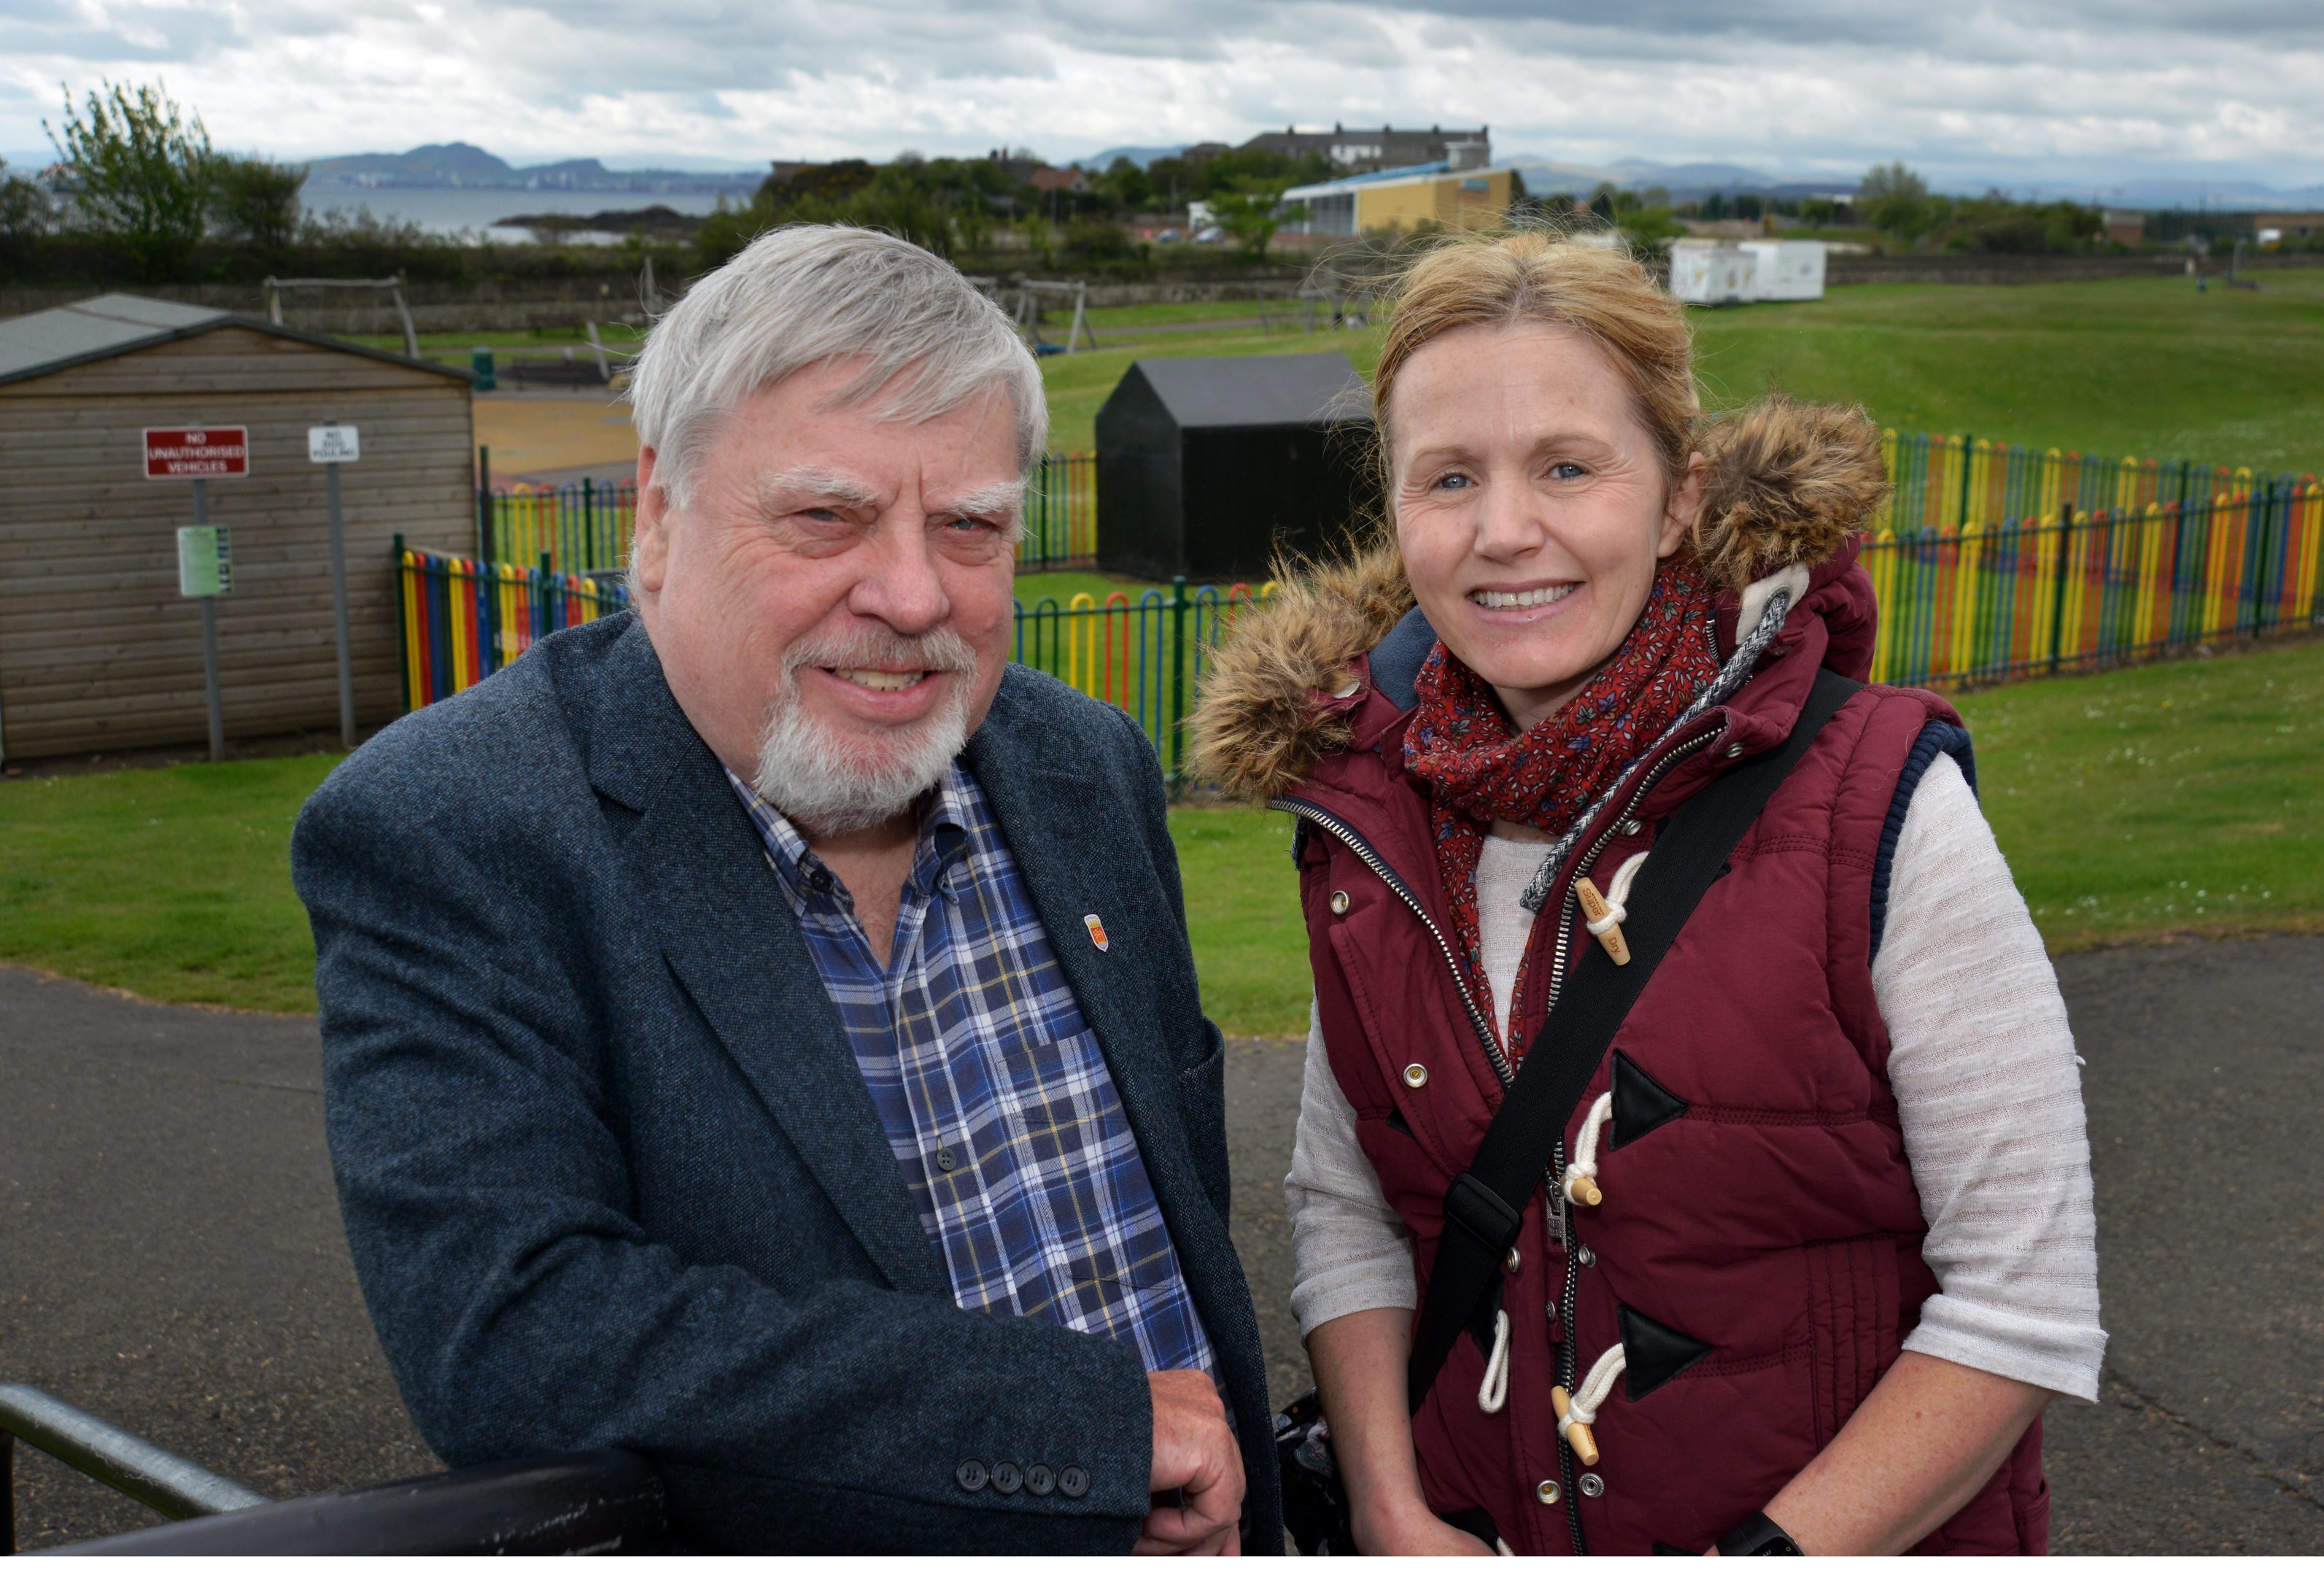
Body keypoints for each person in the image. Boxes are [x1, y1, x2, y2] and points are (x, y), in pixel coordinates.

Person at [293, 225, 1276, 1555]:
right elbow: (513, 1335)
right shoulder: (451, 827)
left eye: (971, 525)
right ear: (657, 514)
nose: (915, 593)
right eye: (826, 515)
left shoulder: (1083, 764)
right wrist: (1081, 1429)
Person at [1191, 233, 2102, 1556]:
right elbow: (1349, 1209)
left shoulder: (1879, 801)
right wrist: (1393, 1515)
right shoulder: (1363, 825)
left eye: (1567, 466)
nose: (1506, 532)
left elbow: (2022, 1303)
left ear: (1676, 496)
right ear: (1395, 515)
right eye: (1449, 478)